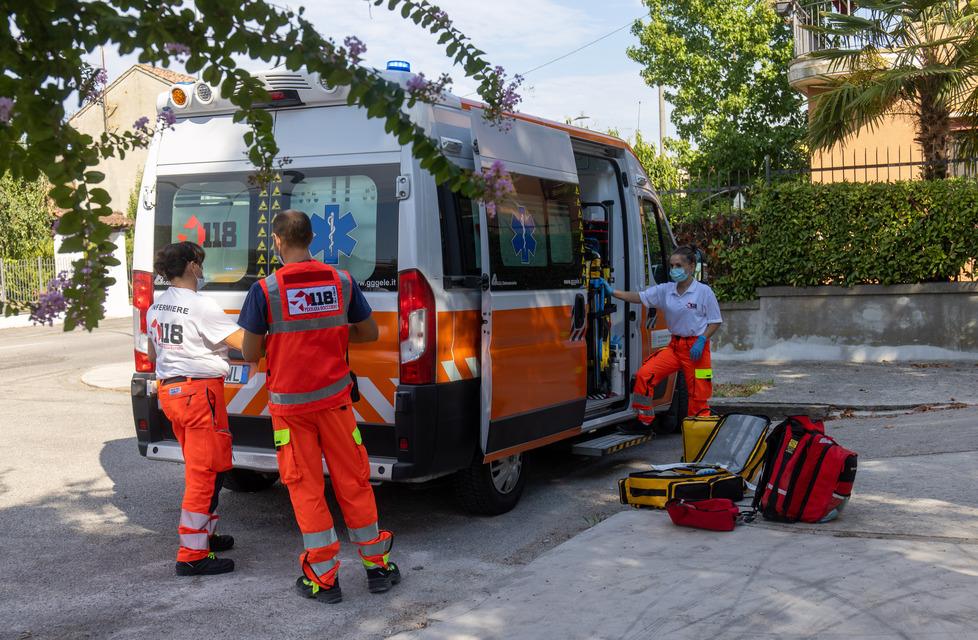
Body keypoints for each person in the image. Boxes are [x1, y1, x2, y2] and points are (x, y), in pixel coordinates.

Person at [237, 209, 399, 604]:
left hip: (290, 411)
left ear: (277, 241)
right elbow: (369, 331)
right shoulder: (341, 281)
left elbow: (249, 350)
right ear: (313, 239)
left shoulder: (266, 290)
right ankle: (378, 568)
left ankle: (323, 580)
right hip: (336, 403)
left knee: (305, 488)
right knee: (354, 481)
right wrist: (328, 334)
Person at [147, 241, 245, 576]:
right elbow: (245, 343)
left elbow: (153, 352)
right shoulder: (201, 305)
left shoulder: (157, 306)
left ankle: (206, 535)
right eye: (199, 262)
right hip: (200, 395)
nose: (202, 269)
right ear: (191, 266)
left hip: (172, 394)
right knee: (204, 473)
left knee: (211, 465)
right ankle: (192, 555)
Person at [595, 245, 722, 428]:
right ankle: (644, 421)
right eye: (671, 266)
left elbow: (715, 321)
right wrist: (613, 292)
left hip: (697, 349)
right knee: (644, 375)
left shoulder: (704, 292)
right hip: (675, 347)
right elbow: (639, 297)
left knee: (699, 394)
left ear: (691, 266)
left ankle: (700, 434)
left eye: (678, 265)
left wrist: (702, 339)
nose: (674, 270)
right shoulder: (666, 290)